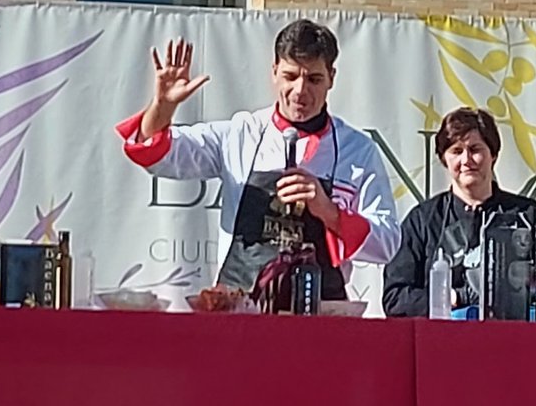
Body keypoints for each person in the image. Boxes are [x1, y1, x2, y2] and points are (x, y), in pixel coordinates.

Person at [115, 19, 400, 302]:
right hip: (240, 310)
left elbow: (387, 243)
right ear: (274, 73)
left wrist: (330, 213)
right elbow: (156, 154)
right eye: (290, 76)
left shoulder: (358, 150)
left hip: (320, 313)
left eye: (314, 79)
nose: (301, 91)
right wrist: (162, 108)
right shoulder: (240, 133)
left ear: (332, 78)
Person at [382, 106, 536, 317]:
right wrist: (453, 299)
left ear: (493, 155)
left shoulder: (528, 215)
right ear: (443, 159)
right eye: (456, 151)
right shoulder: (422, 220)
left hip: (510, 342)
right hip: (441, 344)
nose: (466, 160)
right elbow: (395, 298)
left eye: (475, 149)